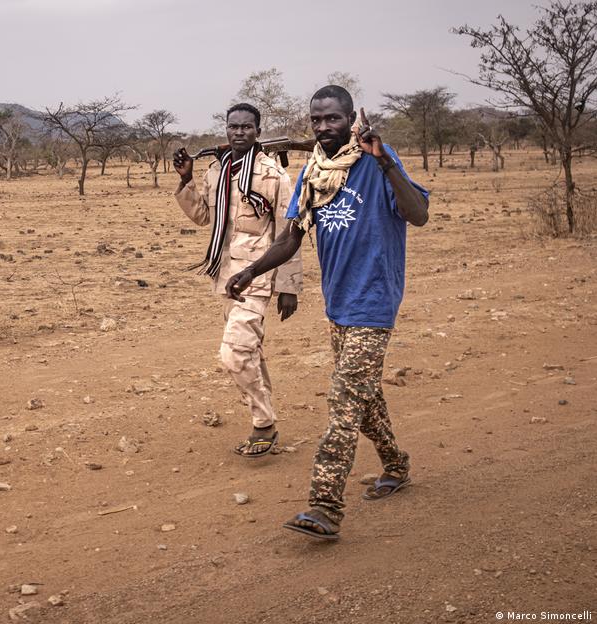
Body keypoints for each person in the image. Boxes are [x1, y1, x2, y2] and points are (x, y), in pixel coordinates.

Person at [225, 85, 430, 541]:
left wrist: (384, 161)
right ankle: (396, 465)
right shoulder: (315, 172)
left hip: (374, 302)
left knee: (343, 403)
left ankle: (324, 505)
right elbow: (292, 236)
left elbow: (418, 215)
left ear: (351, 119)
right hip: (339, 303)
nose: (323, 127)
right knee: (365, 396)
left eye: (333, 119)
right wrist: (252, 271)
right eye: (316, 120)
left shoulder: (379, 162)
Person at [173, 103, 303, 459]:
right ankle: (266, 418)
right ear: (226, 129)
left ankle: (264, 423)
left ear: (258, 132)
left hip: (257, 276)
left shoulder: (274, 175)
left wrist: (289, 286)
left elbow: (290, 233)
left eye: (247, 127)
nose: (239, 132)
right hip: (224, 273)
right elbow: (203, 217)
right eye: (234, 126)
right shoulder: (218, 170)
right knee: (250, 351)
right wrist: (186, 180)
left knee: (234, 353)